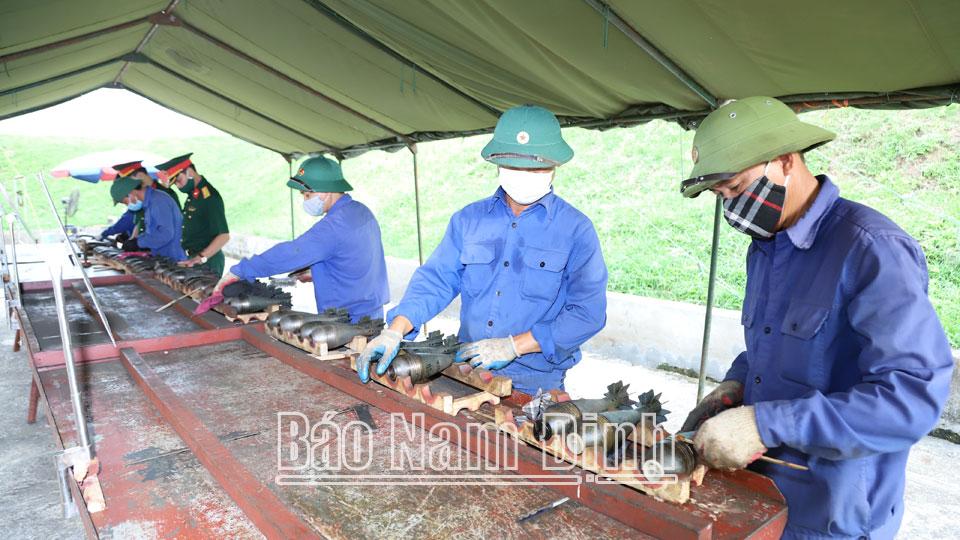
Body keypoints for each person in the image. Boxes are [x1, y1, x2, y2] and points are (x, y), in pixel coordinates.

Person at [678, 96, 954, 539]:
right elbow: (769, 345)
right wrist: (736, 385)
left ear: (785, 161)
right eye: (719, 196)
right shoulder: (766, 246)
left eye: (734, 187)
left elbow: (911, 400)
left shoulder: (870, 250)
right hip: (763, 491)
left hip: (834, 509)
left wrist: (765, 424)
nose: (729, 206)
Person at [356, 105, 608, 394]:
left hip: (535, 381)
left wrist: (515, 345)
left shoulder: (575, 230)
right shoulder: (469, 220)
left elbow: (587, 313)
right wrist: (395, 330)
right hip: (468, 369)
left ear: (555, 166)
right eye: (515, 166)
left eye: (535, 166)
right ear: (497, 163)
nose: (524, 173)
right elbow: (437, 279)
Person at [214, 156, 388, 322]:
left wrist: (241, 270)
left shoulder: (333, 226)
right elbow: (355, 258)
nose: (305, 200)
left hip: (347, 317)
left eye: (307, 195)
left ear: (326, 192)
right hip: (372, 312)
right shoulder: (361, 212)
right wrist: (319, 272)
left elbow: (290, 253)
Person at [155, 153, 230, 275]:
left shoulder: (209, 197)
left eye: (179, 181)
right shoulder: (194, 194)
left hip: (207, 262)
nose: (178, 187)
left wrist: (201, 257)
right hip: (193, 258)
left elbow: (224, 236)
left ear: (189, 172)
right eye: (175, 184)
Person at [100, 161, 181, 244]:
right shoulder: (139, 196)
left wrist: (138, 242)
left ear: (140, 176)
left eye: (128, 183)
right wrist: (131, 239)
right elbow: (138, 220)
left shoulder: (165, 195)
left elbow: (168, 230)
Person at [107, 175, 186, 261]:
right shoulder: (150, 203)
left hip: (173, 259)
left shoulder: (158, 202)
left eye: (125, 202)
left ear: (131, 193)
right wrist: (136, 240)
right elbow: (153, 232)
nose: (127, 205)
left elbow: (165, 234)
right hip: (163, 257)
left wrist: (138, 243)